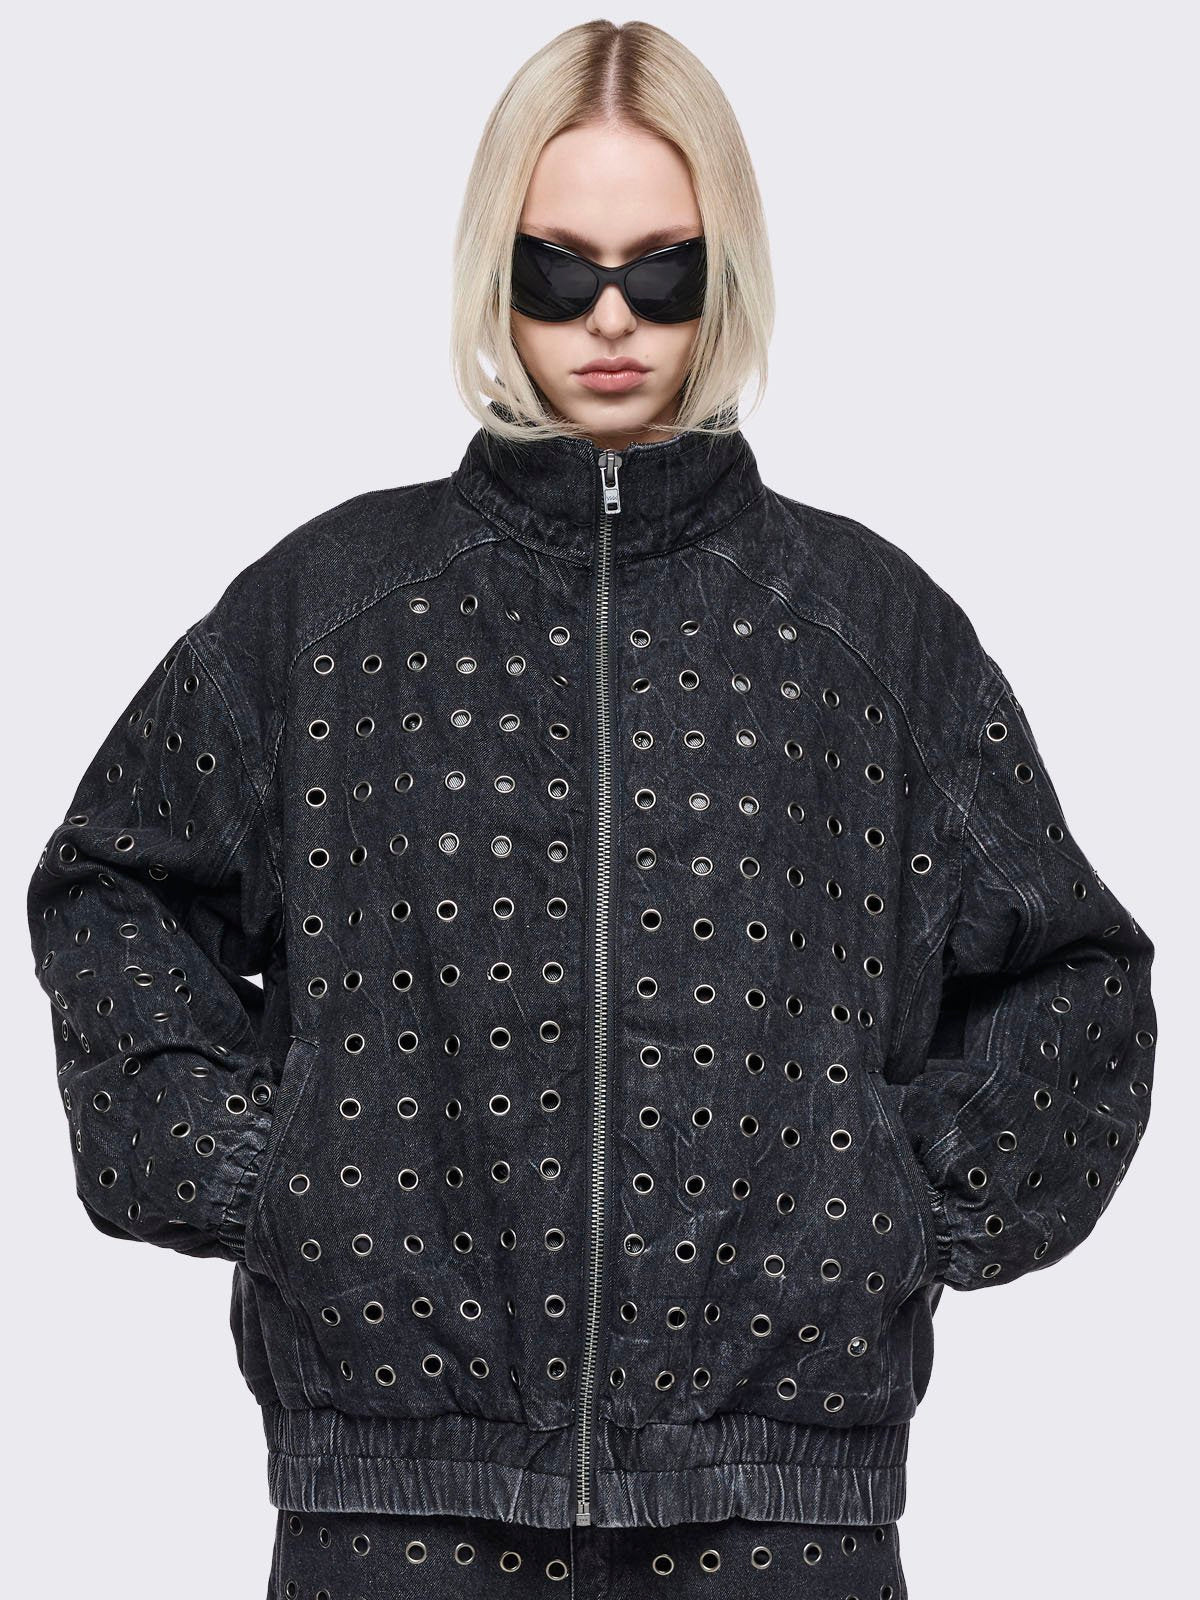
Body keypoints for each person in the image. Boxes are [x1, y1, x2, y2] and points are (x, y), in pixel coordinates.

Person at [27, 19, 1157, 1599]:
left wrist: (894, 1209)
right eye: (559, 271)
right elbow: (114, 882)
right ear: (493, 275)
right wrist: (263, 1171)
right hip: (393, 1513)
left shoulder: (872, 636)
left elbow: (1076, 973)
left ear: (727, 273)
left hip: (781, 1521)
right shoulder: (330, 617)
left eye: (662, 272)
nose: (611, 318)